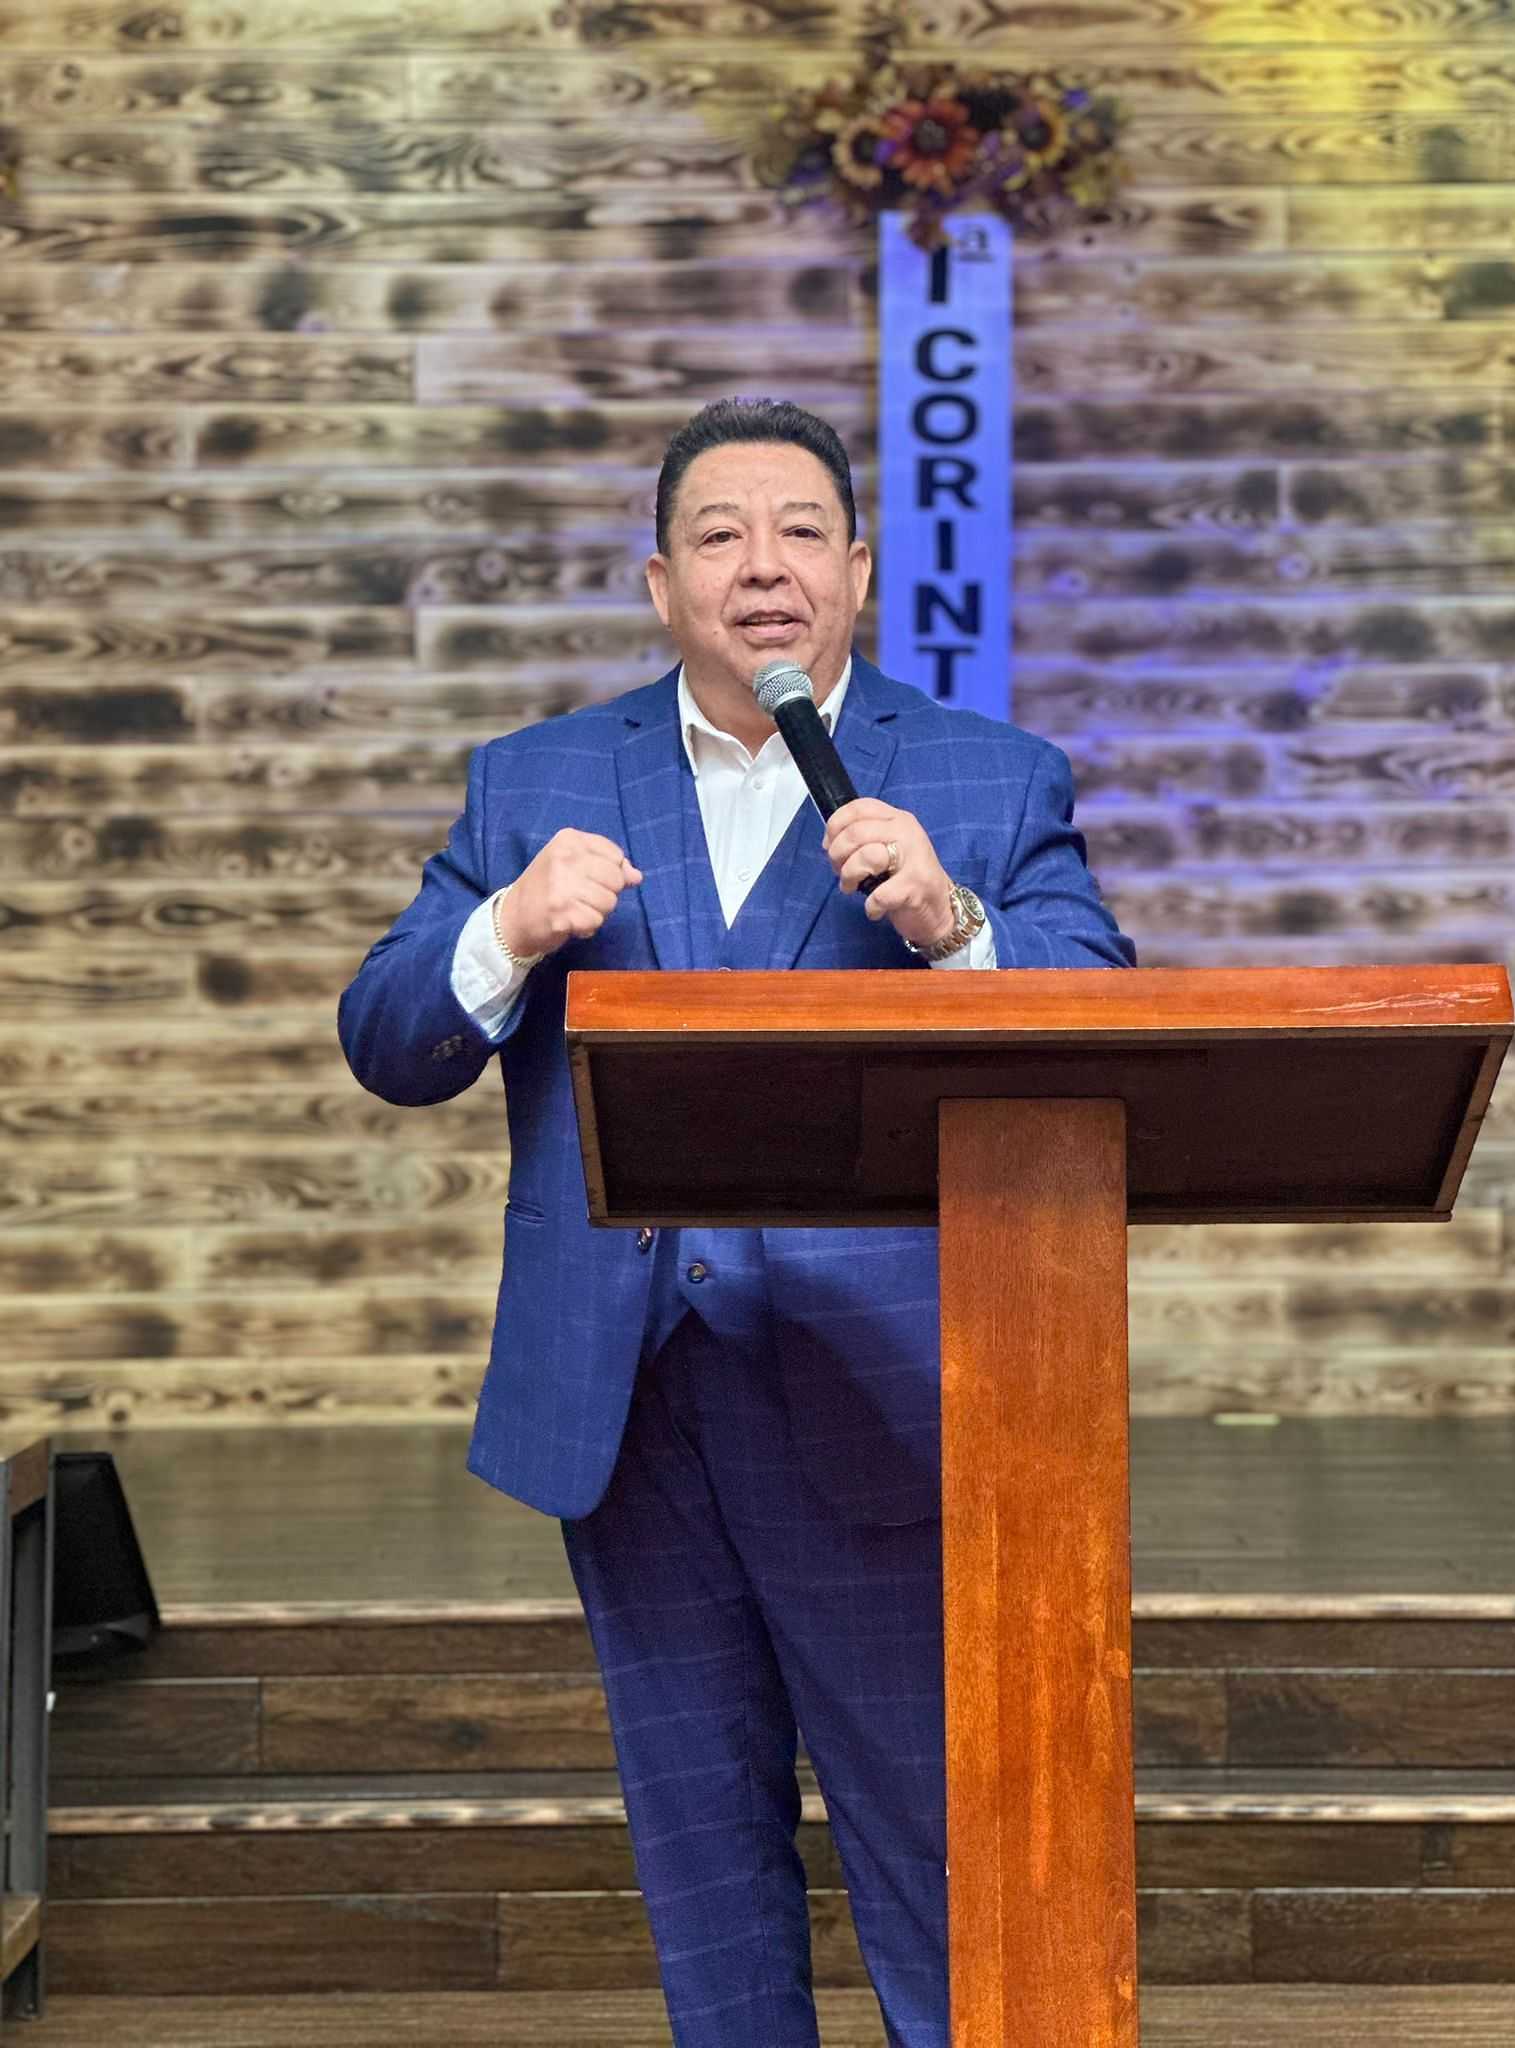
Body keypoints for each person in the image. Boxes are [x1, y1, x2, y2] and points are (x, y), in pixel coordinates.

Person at [338, 397, 1134, 2046]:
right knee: (703, 1866)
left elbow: (1103, 1022)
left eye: (796, 533)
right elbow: (388, 1037)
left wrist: (957, 921)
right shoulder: (539, 780)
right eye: (718, 536)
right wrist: (503, 930)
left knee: (935, 1860)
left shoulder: (988, 777)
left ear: (857, 567)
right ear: (657, 582)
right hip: (628, 1414)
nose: (760, 567)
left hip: (880, 1399)